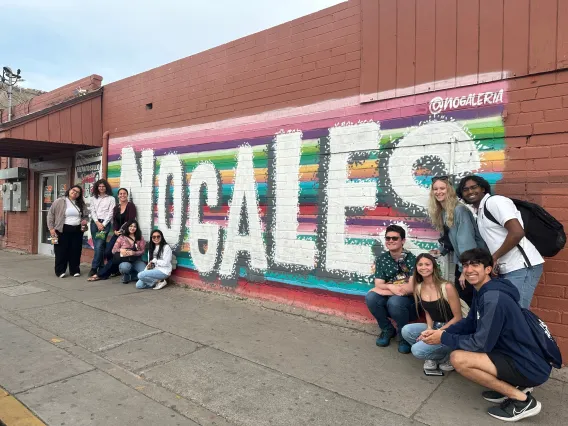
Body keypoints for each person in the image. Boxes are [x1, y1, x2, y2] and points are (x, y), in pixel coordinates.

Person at [421, 248, 551, 422]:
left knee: (458, 358)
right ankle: (514, 385)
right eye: (466, 265)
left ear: (488, 269)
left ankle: (523, 401)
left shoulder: (493, 298)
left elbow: (480, 344)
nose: (469, 270)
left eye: (476, 264)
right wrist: (442, 331)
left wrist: (442, 338)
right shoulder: (482, 290)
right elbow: (469, 323)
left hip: (529, 364)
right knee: (465, 348)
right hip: (517, 354)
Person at [457, 175, 544, 308]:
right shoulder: (479, 212)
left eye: (474, 187)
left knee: (516, 312)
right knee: (506, 311)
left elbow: (517, 232)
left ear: (483, 189)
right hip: (507, 268)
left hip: (521, 266)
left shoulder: (495, 202)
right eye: (465, 189)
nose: (470, 191)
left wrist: (494, 257)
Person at [428, 176, 487, 306]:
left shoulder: (459, 210)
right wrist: (441, 250)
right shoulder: (444, 212)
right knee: (466, 303)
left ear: (449, 190)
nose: (439, 192)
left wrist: (466, 269)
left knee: (469, 303)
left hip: (473, 263)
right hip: (465, 263)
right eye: (435, 189)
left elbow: (467, 243)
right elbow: (451, 237)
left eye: (442, 188)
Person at [401, 253, 462, 372]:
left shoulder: (447, 287)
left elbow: (458, 317)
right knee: (406, 330)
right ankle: (432, 355)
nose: (424, 267)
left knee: (416, 350)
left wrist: (437, 332)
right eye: (420, 265)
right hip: (435, 326)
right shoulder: (419, 287)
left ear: (434, 267)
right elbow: (428, 312)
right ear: (416, 268)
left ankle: (448, 356)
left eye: (427, 264)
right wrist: (429, 328)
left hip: (451, 330)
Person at [366, 224, 417, 353]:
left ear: (403, 241)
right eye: (388, 238)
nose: (390, 241)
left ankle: (404, 336)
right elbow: (379, 283)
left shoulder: (412, 259)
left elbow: (410, 288)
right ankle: (387, 329)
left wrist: (387, 289)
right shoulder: (382, 259)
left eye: (395, 238)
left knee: (395, 301)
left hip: (408, 301)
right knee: (371, 297)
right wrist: (391, 287)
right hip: (391, 295)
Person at [46, 185, 89, 278]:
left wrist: (84, 221)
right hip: (62, 229)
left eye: (78, 192)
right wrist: (51, 228)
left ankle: (74, 270)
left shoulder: (81, 203)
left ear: (79, 195)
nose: (75, 193)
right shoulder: (60, 201)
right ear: (69, 190)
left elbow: (86, 215)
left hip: (77, 230)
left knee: (76, 251)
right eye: (74, 190)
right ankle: (60, 271)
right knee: (61, 251)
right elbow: (50, 215)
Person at [88, 179, 116, 277]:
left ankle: (94, 267)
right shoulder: (93, 198)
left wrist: (103, 224)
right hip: (94, 223)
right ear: (97, 187)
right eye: (99, 186)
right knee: (98, 246)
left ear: (106, 187)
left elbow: (111, 213)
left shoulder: (111, 199)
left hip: (105, 223)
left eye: (103, 186)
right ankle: (101, 266)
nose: (101, 188)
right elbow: (92, 211)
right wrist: (96, 222)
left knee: (99, 245)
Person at [105, 188, 137, 264]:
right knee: (108, 251)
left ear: (127, 195)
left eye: (124, 193)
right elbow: (114, 220)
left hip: (127, 234)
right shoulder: (116, 207)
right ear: (118, 196)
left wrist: (123, 230)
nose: (122, 195)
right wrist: (115, 230)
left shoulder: (131, 206)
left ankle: (118, 269)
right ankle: (113, 268)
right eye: (121, 194)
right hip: (117, 233)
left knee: (121, 252)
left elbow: (131, 220)